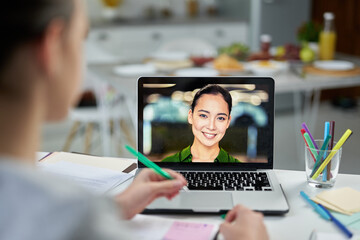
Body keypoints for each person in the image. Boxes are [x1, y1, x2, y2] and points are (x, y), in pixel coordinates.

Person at [0, 0, 268, 239]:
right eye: (82, 38)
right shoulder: (73, 220)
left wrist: (117, 206)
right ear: (52, 47)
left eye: (220, 117)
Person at [162, 84, 240, 163]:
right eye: (203, 115)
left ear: (228, 122)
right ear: (190, 116)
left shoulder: (239, 169)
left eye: (220, 118)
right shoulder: (167, 165)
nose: (211, 126)